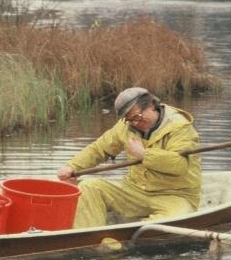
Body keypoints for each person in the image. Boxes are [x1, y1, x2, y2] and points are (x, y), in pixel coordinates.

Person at [56, 87, 202, 228]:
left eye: (137, 117)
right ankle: (88, 238)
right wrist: (73, 166)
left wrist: (144, 154)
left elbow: (178, 165)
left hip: (175, 195)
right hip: (135, 190)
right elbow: (99, 148)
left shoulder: (180, 126)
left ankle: (136, 233)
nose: (135, 123)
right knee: (90, 187)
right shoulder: (126, 125)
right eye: (130, 120)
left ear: (152, 105)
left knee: (178, 217)